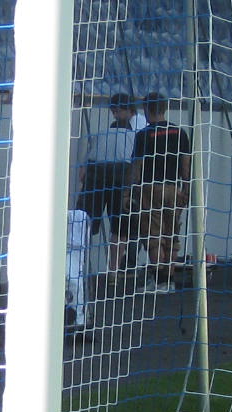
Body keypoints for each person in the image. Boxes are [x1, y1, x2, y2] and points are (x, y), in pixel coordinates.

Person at [130, 94, 193, 289]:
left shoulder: (143, 135)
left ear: (147, 110)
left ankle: (157, 280)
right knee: (172, 234)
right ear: (165, 108)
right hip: (173, 188)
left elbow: (137, 167)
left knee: (153, 235)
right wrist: (186, 190)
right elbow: (185, 165)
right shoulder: (179, 132)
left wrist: (129, 192)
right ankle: (169, 281)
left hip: (150, 189)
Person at [76, 94, 139, 243]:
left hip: (96, 173)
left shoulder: (101, 136)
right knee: (122, 229)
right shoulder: (135, 137)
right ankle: (116, 265)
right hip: (122, 175)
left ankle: (79, 260)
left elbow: (83, 171)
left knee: (85, 223)